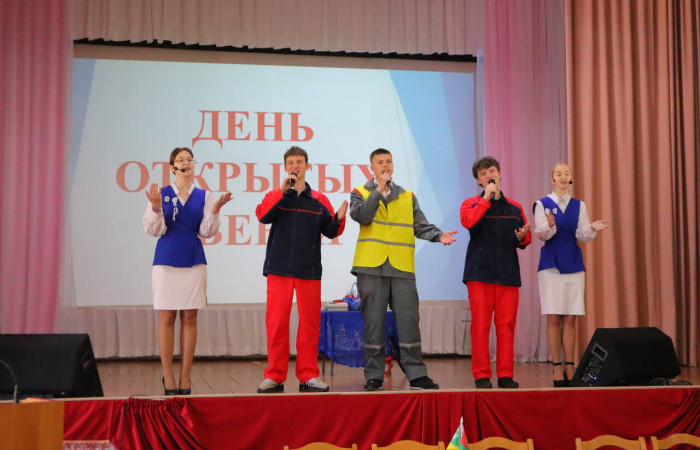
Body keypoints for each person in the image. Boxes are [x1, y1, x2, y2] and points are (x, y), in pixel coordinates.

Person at [350, 148, 457, 391]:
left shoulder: (407, 196)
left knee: (409, 322)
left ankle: (417, 375)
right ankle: (374, 376)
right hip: (370, 267)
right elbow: (362, 216)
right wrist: (378, 190)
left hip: (401, 267)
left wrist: (438, 236)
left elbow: (421, 225)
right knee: (373, 324)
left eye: (388, 161)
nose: (385, 165)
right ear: (372, 168)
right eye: (380, 162)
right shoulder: (360, 193)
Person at [255, 146, 348, 393]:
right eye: (290, 162)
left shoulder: (319, 199)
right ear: (285, 167)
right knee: (277, 324)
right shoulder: (276, 195)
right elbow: (263, 216)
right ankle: (274, 376)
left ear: (308, 166)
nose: (295, 166)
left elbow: (330, 231)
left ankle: (308, 375)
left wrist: (339, 218)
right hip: (278, 268)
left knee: (309, 324)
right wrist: (282, 192)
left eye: (299, 162)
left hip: (309, 270)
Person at [143, 147, 232, 395]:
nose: (186, 163)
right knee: (167, 318)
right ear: (172, 167)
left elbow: (206, 231)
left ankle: (185, 375)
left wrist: (215, 210)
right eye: (180, 160)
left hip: (193, 259)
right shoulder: (160, 194)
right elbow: (154, 230)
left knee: (190, 318)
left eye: (189, 159)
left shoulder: (204, 195)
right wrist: (156, 208)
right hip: (166, 259)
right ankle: (168, 374)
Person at [533, 162, 610, 387]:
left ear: (570, 178)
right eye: (559, 173)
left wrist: (592, 227)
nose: (563, 176)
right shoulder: (542, 204)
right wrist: (550, 225)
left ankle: (570, 365)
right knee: (553, 316)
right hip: (550, 265)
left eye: (567, 173)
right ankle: (556, 366)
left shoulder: (579, 205)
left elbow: (582, 234)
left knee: (570, 317)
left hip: (574, 263)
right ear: (552, 178)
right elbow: (541, 235)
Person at [460, 156, 531, 389]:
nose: (488, 176)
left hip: (507, 275)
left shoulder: (514, 207)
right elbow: (469, 223)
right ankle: (481, 375)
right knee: (480, 327)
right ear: (478, 181)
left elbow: (525, 237)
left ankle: (505, 375)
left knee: (506, 327)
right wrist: (486, 200)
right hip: (479, 275)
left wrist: (522, 237)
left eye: (491, 171)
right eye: (483, 174)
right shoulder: (470, 204)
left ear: (499, 174)